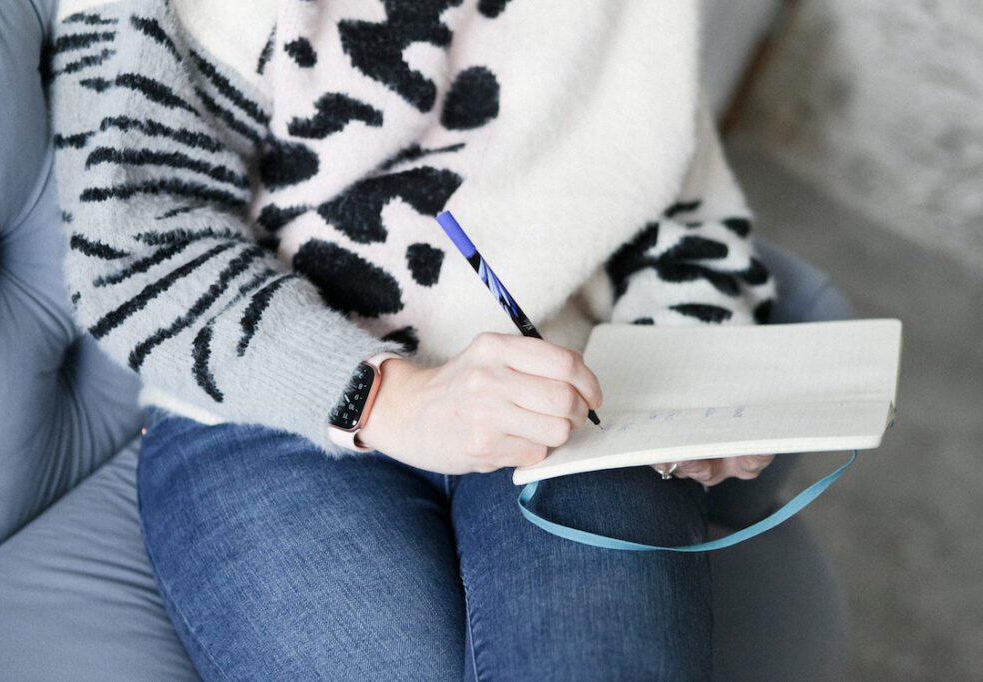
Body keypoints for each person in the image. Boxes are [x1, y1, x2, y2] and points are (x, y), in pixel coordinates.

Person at [47, 0, 782, 678]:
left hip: (559, 381)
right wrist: (389, 398)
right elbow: (134, 244)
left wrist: (692, 369)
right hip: (261, 406)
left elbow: (683, 217)